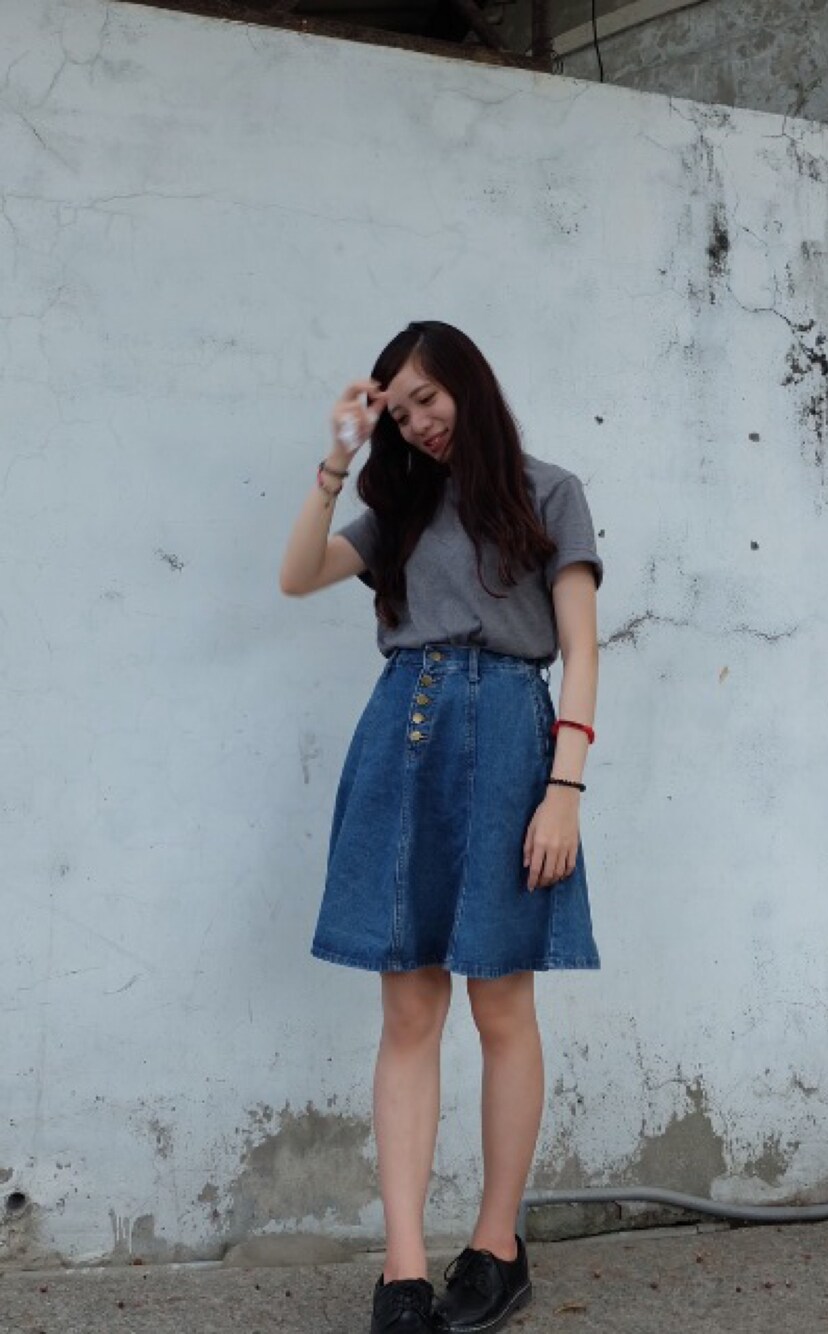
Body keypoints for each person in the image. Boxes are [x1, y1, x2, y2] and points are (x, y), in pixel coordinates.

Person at [279, 321, 602, 1334]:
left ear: (468, 384)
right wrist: (338, 458)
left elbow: (582, 650)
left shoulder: (550, 492)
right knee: (409, 1014)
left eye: (428, 398)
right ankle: (405, 1271)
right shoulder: (400, 508)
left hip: (511, 746)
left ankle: (497, 1247)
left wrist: (564, 787)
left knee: (502, 1008)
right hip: (402, 742)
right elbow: (296, 573)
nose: (418, 422)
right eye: (400, 408)